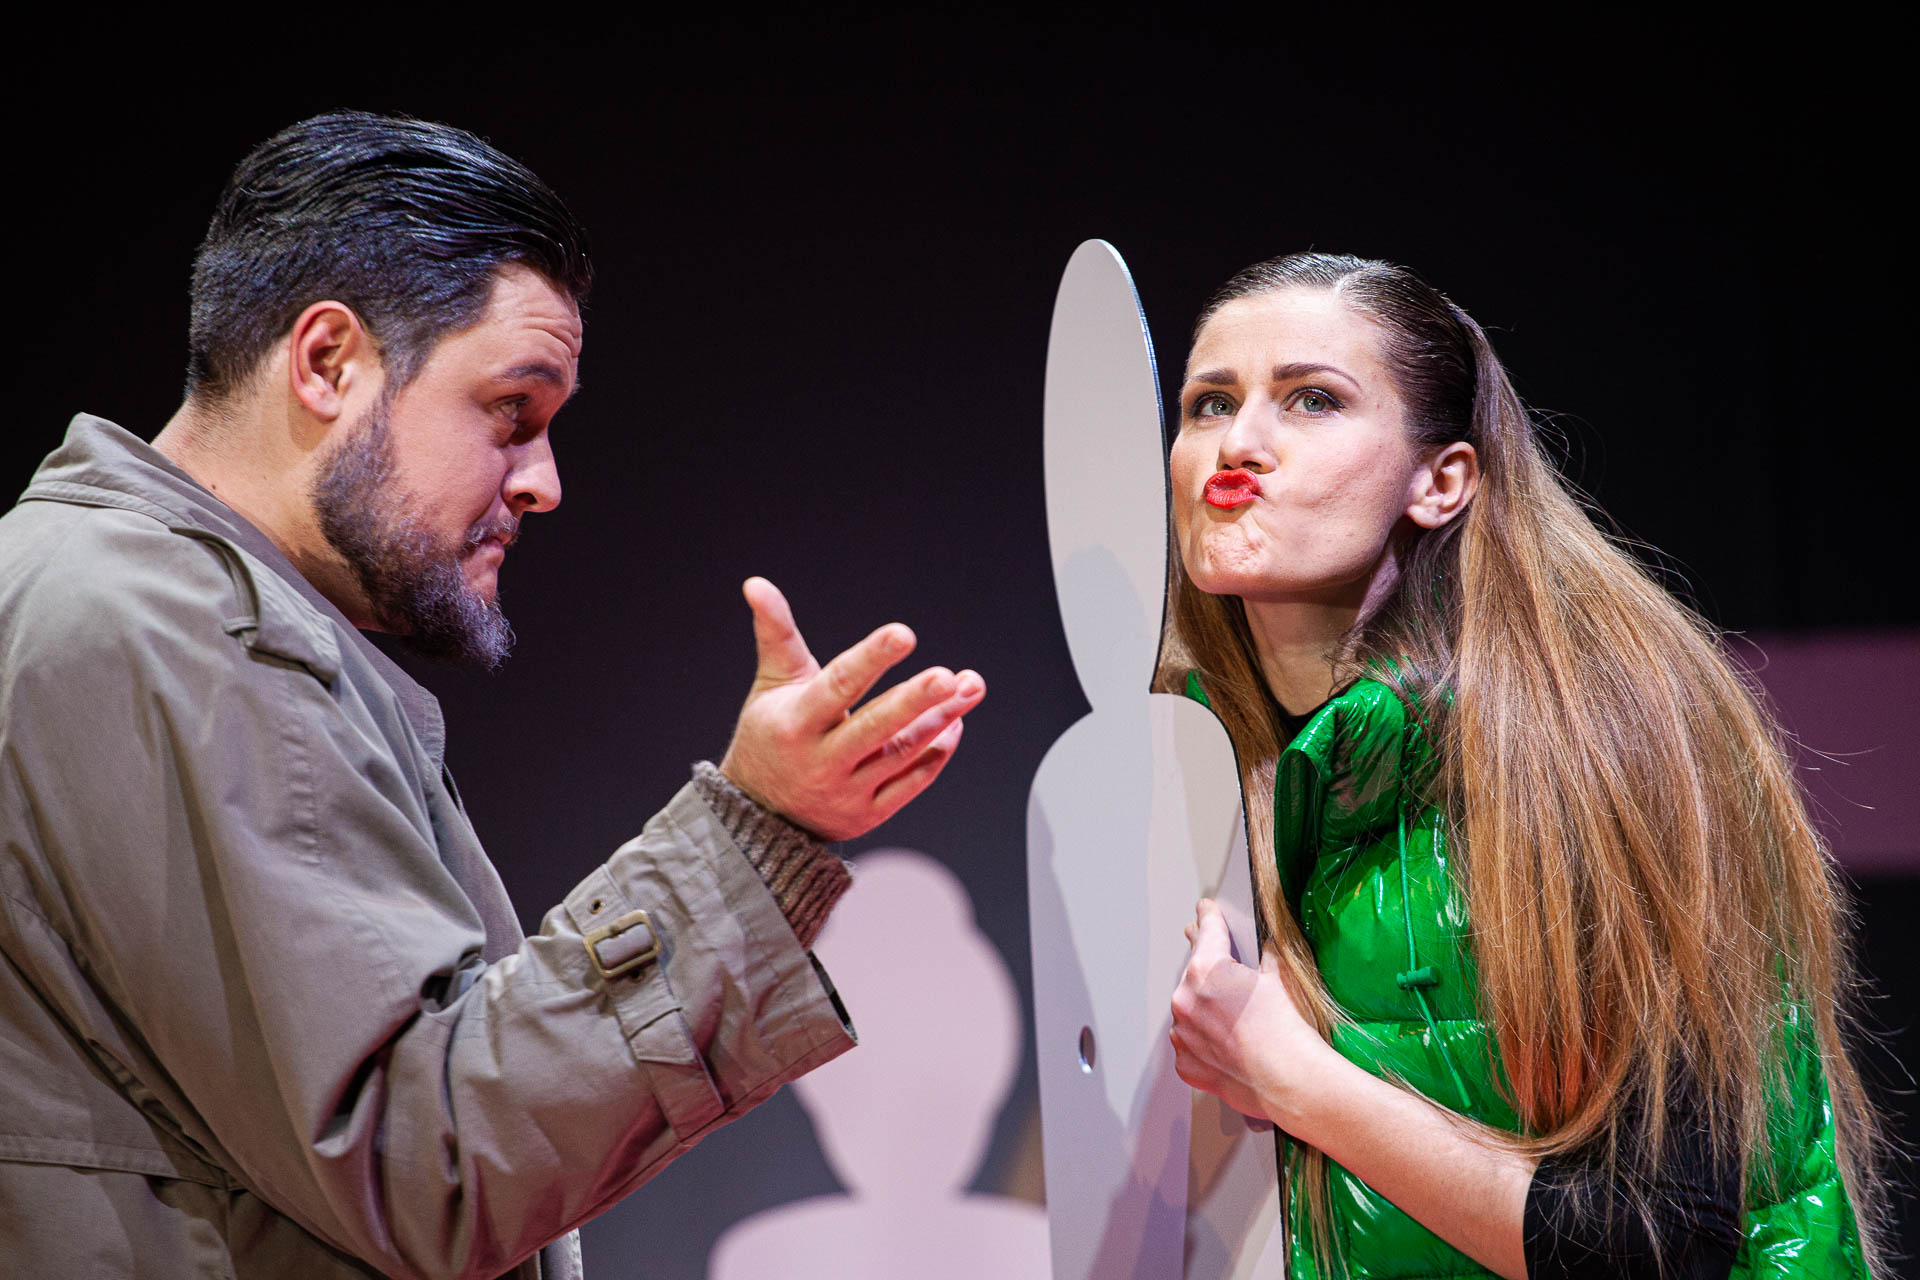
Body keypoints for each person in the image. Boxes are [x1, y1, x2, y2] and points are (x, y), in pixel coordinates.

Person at [0, 112, 985, 1279]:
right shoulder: (177, 627)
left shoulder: (84, 584)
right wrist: (756, 830)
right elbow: (433, 1159)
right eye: (511, 411)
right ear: (327, 363)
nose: (543, 481)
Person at [1159, 253, 1885, 1279]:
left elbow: (1661, 1244)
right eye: (1210, 403)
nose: (1240, 442)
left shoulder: (1598, 733)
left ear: (1441, 480)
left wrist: (1294, 1079)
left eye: (1313, 398)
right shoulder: (1184, 769)